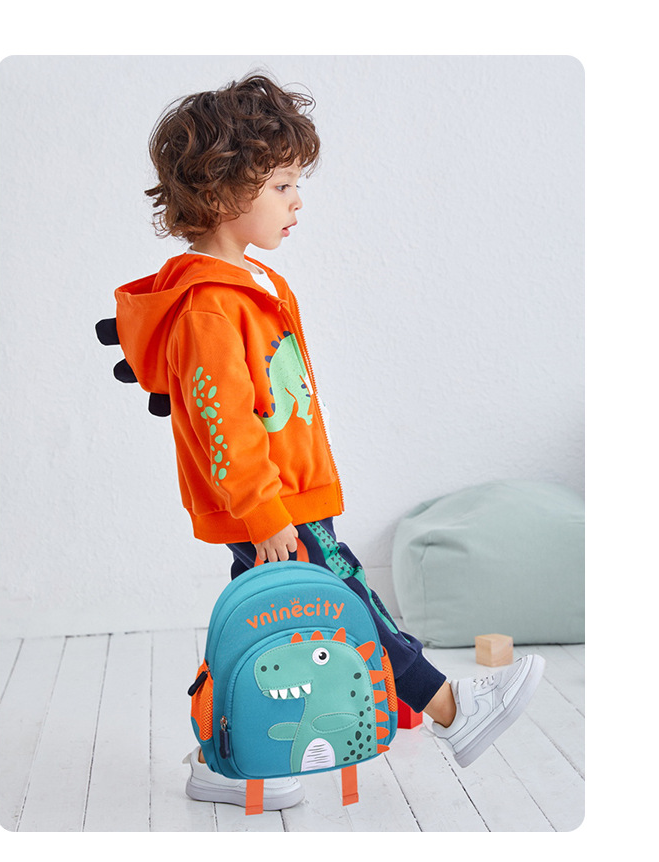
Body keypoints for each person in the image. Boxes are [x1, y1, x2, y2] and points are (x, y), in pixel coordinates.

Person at [113, 73, 545, 810]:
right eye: (282, 185)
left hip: (287, 497)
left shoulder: (248, 286)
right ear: (222, 193)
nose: (297, 201)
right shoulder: (211, 306)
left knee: (274, 624)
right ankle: (451, 709)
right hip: (274, 504)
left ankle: (230, 757)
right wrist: (264, 514)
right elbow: (226, 426)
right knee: (344, 602)